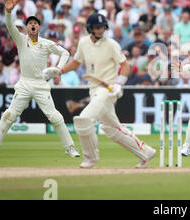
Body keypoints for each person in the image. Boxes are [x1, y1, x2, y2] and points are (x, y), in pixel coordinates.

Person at [0, 0, 80, 158]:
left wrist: (58, 69)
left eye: (35, 23)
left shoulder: (46, 43)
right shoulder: (21, 40)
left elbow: (65, 52)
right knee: (10, 115)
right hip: (25, 84)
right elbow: (10, 27)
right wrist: (8, 13)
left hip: (41, 84)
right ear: (27, 28)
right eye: (30, 24)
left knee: (55, 117)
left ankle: (70, 148)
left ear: (39, 27)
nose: (32, 25)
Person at [59, 13, 156, 169]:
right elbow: (76, 62)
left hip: (108, 89)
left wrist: (120, 82)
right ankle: (146, 152)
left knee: (83, 120)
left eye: (102, 27)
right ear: (90, 28)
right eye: (97, 27)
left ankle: (90, 157)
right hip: (94, 89)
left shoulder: (111, 44)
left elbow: (125, 66)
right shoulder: (83, 43)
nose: (100, 30)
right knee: (112, 128)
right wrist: (60, 70)